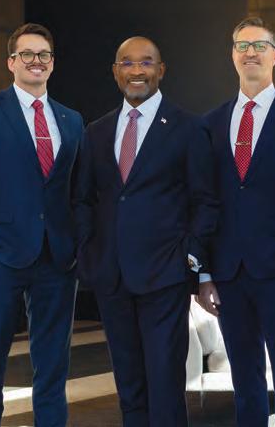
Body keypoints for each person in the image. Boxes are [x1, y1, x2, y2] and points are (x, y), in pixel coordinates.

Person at [73, 36, 218, 426]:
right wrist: (89, 249)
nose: (137, 71)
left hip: (166, 277)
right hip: (112, 277)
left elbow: (205, 201)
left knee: (165, 385)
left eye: (146, 62)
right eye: (127, 63)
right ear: (115, 71)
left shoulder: (189, 128)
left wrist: (190, 256)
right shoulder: (96, 131)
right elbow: (83, 199)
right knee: (129, 387)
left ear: (161, 70)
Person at [194, 17, 275, 426]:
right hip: (228, 273)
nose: (250, 53)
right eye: (242, 45)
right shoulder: (210, 124)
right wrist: (203, 272)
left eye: (259, 45)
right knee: (244, 378)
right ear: (233, 55)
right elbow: (203, 200)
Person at [0, 23, 84, 427]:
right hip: (0, 257)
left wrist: (77, 245)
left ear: (53, 63)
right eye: (26, 54)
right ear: (11, 62)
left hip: (57, 260)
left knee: (53, 366)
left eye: (43, 54)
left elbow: (79, 191)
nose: (35, 61)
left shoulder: (72, 120)